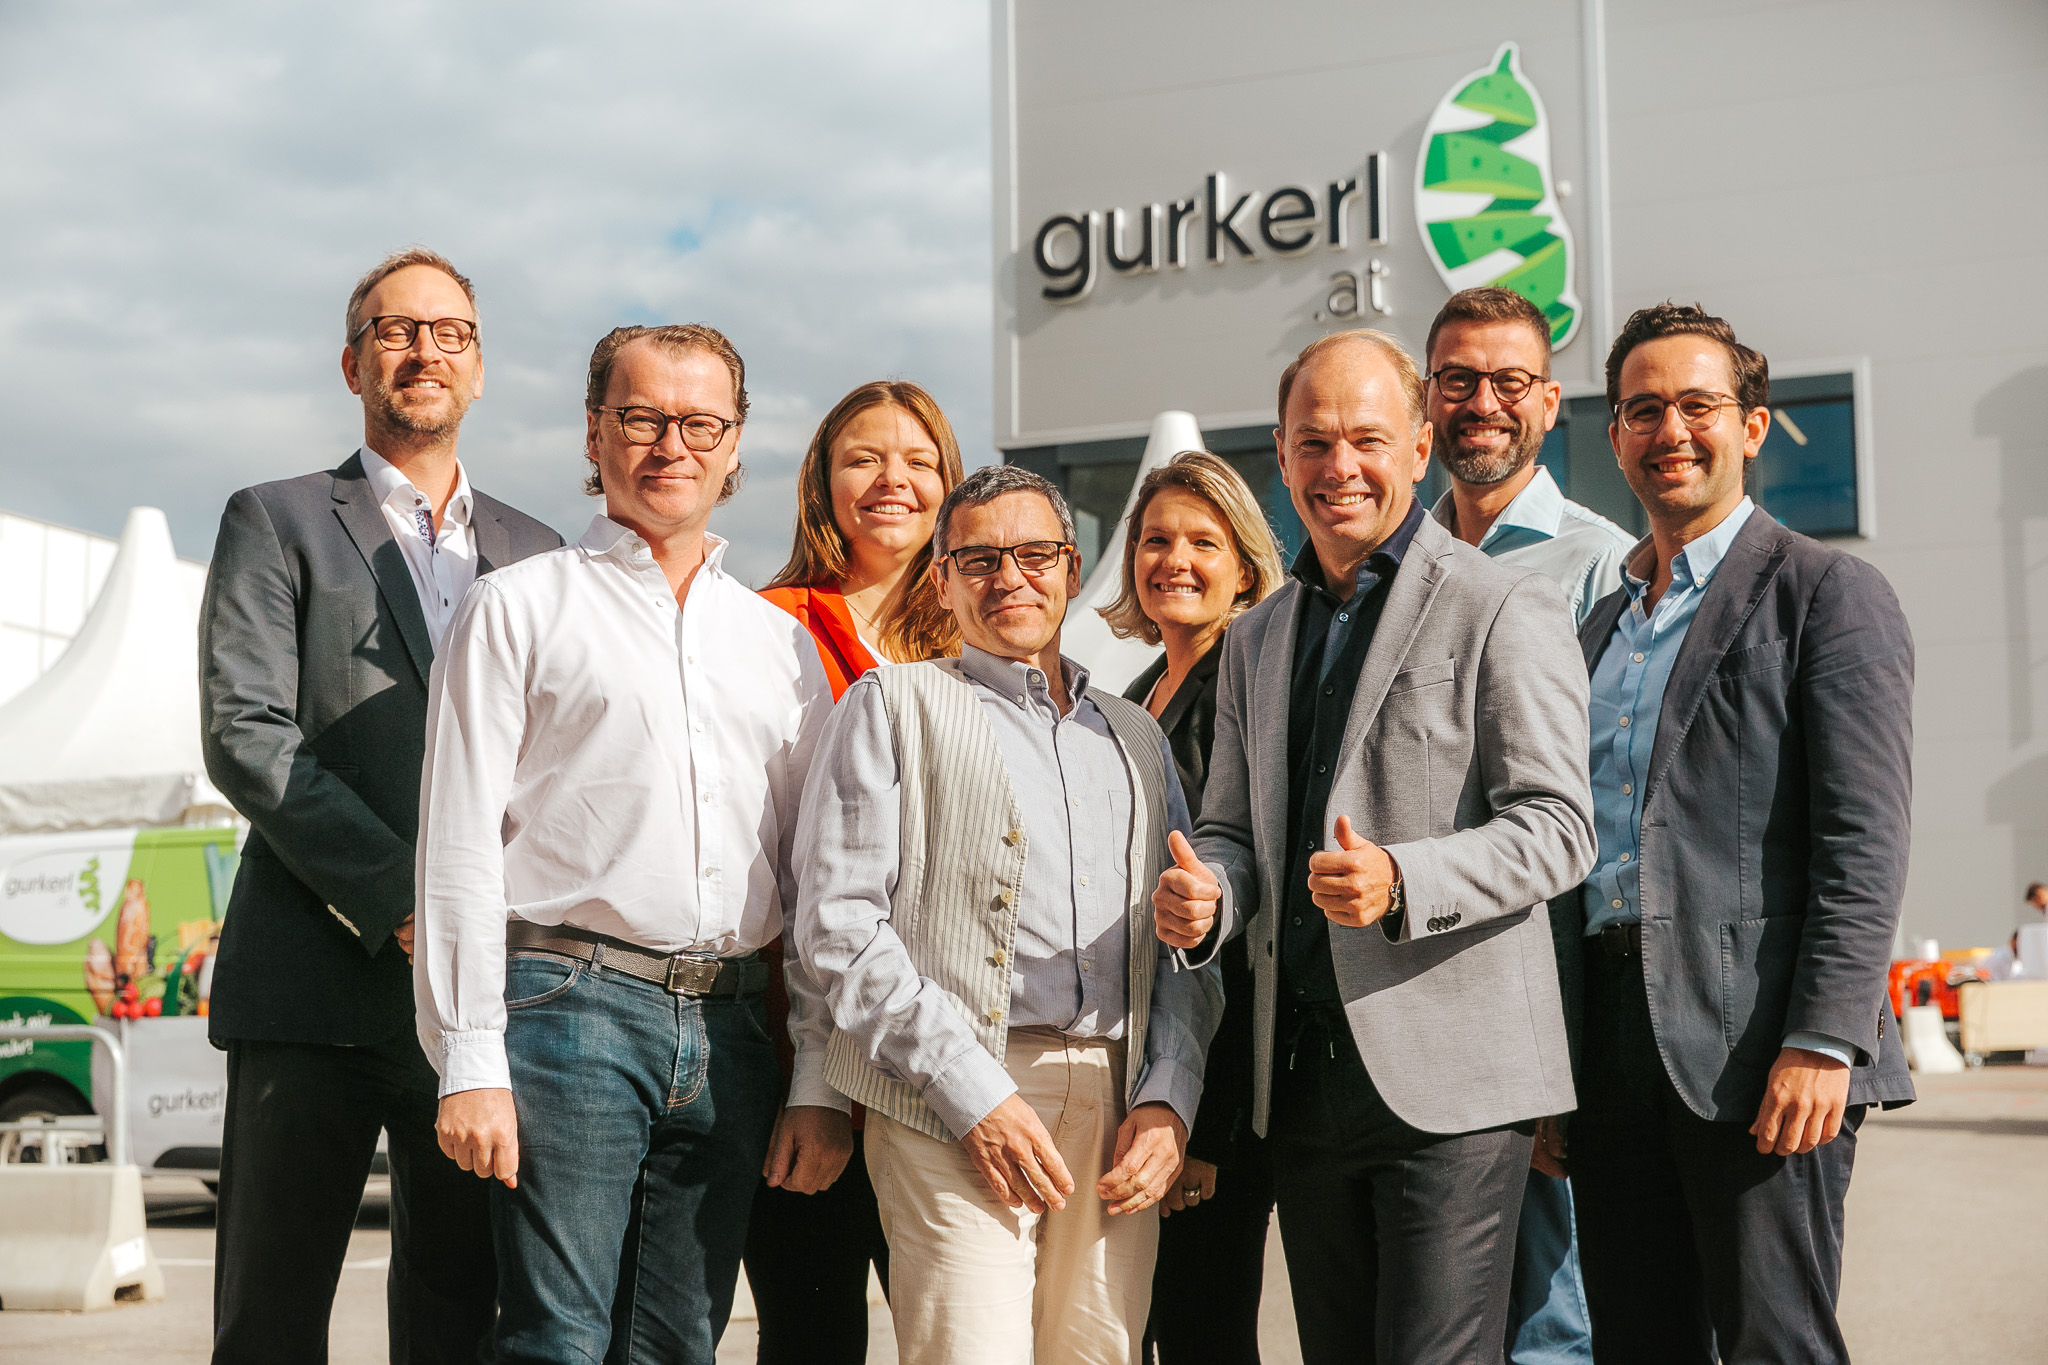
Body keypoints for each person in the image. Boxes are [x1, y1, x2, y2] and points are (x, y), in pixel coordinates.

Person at [1153, 329, 1598, 1364]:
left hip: (1452, 1085)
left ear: (1417, 446)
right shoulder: (1256, 637)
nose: (1338, 466)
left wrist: (1404, 879)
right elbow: (1231, 832)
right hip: (1302, 1084)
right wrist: (1211, 895)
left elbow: (1558, 827)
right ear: (1280, 452)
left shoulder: (1503, 602)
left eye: (1366, 439)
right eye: (1313, 442)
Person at [413, 324, 841, 1363]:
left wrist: (819, 1077)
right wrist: (467, 1056)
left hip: (732, 1027)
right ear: (594, 432)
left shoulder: (780, 644)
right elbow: (458, 844)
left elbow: (815, 879)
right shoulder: (518, 606)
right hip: (568, 1012)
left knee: (681, 1342)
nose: (671, 445)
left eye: (701, 424)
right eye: (643, 417)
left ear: (735, 445)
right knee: (557, 1341)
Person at [197, 248, 562, 1364]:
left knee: (459, 1314)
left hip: (479, 1006)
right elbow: (248, 735)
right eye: (395, 330)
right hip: (311, 984)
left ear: (480, 369)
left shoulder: (539, 553)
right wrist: (409, 902)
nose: (423, 350)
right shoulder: (277, 520)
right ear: (353, 362)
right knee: (270, 1317)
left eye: (449, 333)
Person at [789, 463, 1223, 1364]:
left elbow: (1184, 942)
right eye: (979, 559)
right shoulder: (891, 705)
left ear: (1071, 567)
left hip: (1116, 1101)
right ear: (941, 580)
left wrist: (1170, 1096)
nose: (1009, 577)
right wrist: (972, 1092)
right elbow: (840, 927)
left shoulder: (1136, 735)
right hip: (947, 1097)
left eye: (1035, 554)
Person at [1563, 302, 1915, 1363]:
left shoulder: (1825, 592)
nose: (1669, 430)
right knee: (1634, 1342)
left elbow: (1863, 841)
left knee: (1774, 1343)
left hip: (1761, 1047)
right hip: (1610, 1047)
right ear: (1615, 435)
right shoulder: (1601, 625)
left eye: (1696, 405)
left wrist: (1824, 1038)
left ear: (1751, 426)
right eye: (1642, 410)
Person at [1422, 285, 1635, 1365]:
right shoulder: (1399, 562)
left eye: (1509, 382)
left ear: (1550, 403)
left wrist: (1564, 1055)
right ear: (1426, 398)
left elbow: (1604, 814)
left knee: (1553, 1319)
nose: (1482, 403)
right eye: (1458, 380)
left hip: (1539, 999)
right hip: (1425, 1001)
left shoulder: (1600, 566)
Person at [749, 380, 966, 1362]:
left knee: (962, 1334)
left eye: (919, 461)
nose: (893, 480)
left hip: (952, 1057)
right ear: (820, 483)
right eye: (863, 458)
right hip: (808, 1050)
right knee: (812, 1331)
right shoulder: (768, 629)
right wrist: (815, 1081)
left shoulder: (983, 638)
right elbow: (779, 864)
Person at [1100, 451, 1284, 1364]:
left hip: (1213, 1095)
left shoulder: (1243, 693)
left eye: (1203, 542)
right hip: (1150, 1074)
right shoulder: (1139, 696)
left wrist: (1203, 1130)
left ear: (1245, 568)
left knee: (1206, 1332)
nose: (1174, 558)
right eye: (1155, 539)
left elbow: (1245, 924)